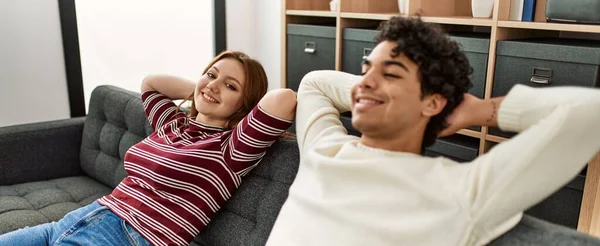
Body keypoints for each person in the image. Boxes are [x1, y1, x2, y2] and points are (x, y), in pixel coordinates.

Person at [266, 16, 600, 246]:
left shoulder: (462, 190)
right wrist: (374, 93)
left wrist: (480, 110)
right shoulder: (323, 149)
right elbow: (315, 83)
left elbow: (590, 113)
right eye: (366, 70)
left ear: (433, 103)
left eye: (392, 74)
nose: (365, 79)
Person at [0, 50, 296, 246]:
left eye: (231, 86)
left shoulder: (232, 148)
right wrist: (200, 88)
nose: (214, 85)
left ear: (245, 105)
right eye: (212, 74)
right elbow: (150, 83)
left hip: (129, 238)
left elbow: (283, 99)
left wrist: (232, 105)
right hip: (83, 217)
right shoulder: (174, 124)